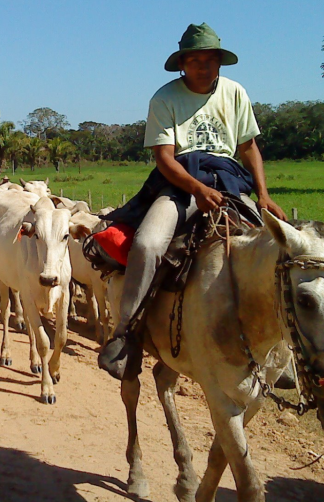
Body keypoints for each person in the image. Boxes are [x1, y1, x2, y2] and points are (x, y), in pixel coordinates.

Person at [100, 23, 287, 380]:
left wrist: (263, 195)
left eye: (210, 60)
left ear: (220, 63)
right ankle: (126, 334)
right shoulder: (165, 98)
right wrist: (197, 190)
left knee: (279, 248)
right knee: (148, 243)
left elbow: (249, 148)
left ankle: (281, 348)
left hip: (230, 182)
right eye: (196, 60)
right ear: (183, 64)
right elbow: (165, 158)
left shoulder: (235, 93)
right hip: (180, 184)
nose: (204, 67)